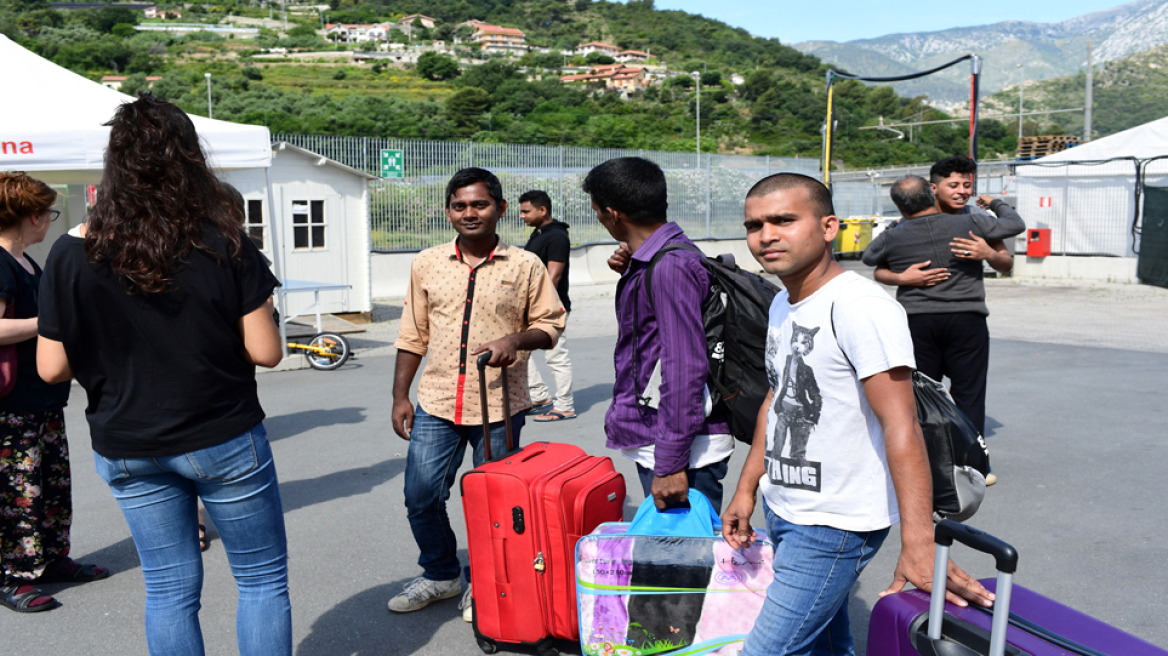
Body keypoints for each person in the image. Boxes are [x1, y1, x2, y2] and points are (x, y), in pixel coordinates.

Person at [36, 96, 290, 656]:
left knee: (170, 587)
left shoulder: (69, 253)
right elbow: (267, 351)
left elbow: (51, 367)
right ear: (189, 158)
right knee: (260, 580)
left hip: (126, 442)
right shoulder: (223, 240)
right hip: (221, 431)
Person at [721, 173, 994, 656]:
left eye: (784, 220)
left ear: (829, 227)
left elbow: (902, 423)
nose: (766, 235)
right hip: (786, 506)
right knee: (827, 642)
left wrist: (919, 541)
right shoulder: (785, 301)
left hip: (835, 525)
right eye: (755, 224)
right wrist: (746, 489)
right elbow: (775, 399)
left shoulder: (860, 307)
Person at [390, 168, 565, 621]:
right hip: (437, 401)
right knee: (421, 496)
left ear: (500, 209)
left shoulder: (525, 265)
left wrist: (515, 341)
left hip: (500, 405)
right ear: (449, 210)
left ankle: (488, 585)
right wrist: (400, 396)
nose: (469, 213)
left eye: (479, 204)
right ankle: (443, 574)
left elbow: (550, 325)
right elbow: (413, 335)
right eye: (459, 206)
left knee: (494, 504)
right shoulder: (426, 263)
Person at [583, 157, 733, 513]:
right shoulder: (659, 259)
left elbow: (684, 368)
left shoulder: (670, 267)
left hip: (679, 452)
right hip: (668, 443)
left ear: (612, 213)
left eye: (598, 213)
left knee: (683, 561)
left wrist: (670, 463)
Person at [862, 175, 1025, 486]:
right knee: (969, 394)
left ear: (899, 205)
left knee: (923, 395)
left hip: (917, 323)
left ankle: (930, 466)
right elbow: (1014, 225)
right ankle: (975, 467)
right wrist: (995, 203)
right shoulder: (970, 224)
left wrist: (903, 264)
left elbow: (870, 257)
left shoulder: (896, 235)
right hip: (967, 320)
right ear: (931, 194)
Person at [0, 173, 107, 614]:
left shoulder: (23, 259)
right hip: (12, 403)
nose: (49, 221)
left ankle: (50, 559)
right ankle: (15, 576)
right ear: (32, 216)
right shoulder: (2, 263)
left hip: (40, 398)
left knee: (51, 486)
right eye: (48, 212)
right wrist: (48, 324)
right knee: (18, 491)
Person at [519, 190, 576, 422]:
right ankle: (539, 395)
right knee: (520, 350)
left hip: (550, 307)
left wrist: (536, 306)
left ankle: (565, 405)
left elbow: (553, 276)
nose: (522, 216)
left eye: (526, 211)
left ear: (542, 210)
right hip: (533, 306)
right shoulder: (539, 234)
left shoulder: (556, 236)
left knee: (556, 356)